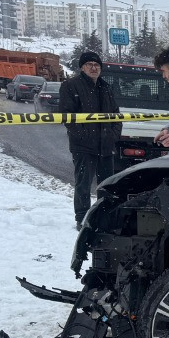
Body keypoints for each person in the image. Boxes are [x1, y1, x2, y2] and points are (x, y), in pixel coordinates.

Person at [59, 51, 121, 224]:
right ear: (82, 67)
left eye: (97, 65)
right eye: (90, 65)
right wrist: (85, 136)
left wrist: (113, 136)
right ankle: (82, 219)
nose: (94, 68)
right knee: (83, 186)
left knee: (107, 186)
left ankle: (104, 218)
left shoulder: (106, 88)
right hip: (83, 147)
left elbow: (117, 115)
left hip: (106, 146)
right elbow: (67, 116)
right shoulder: (71, 86)